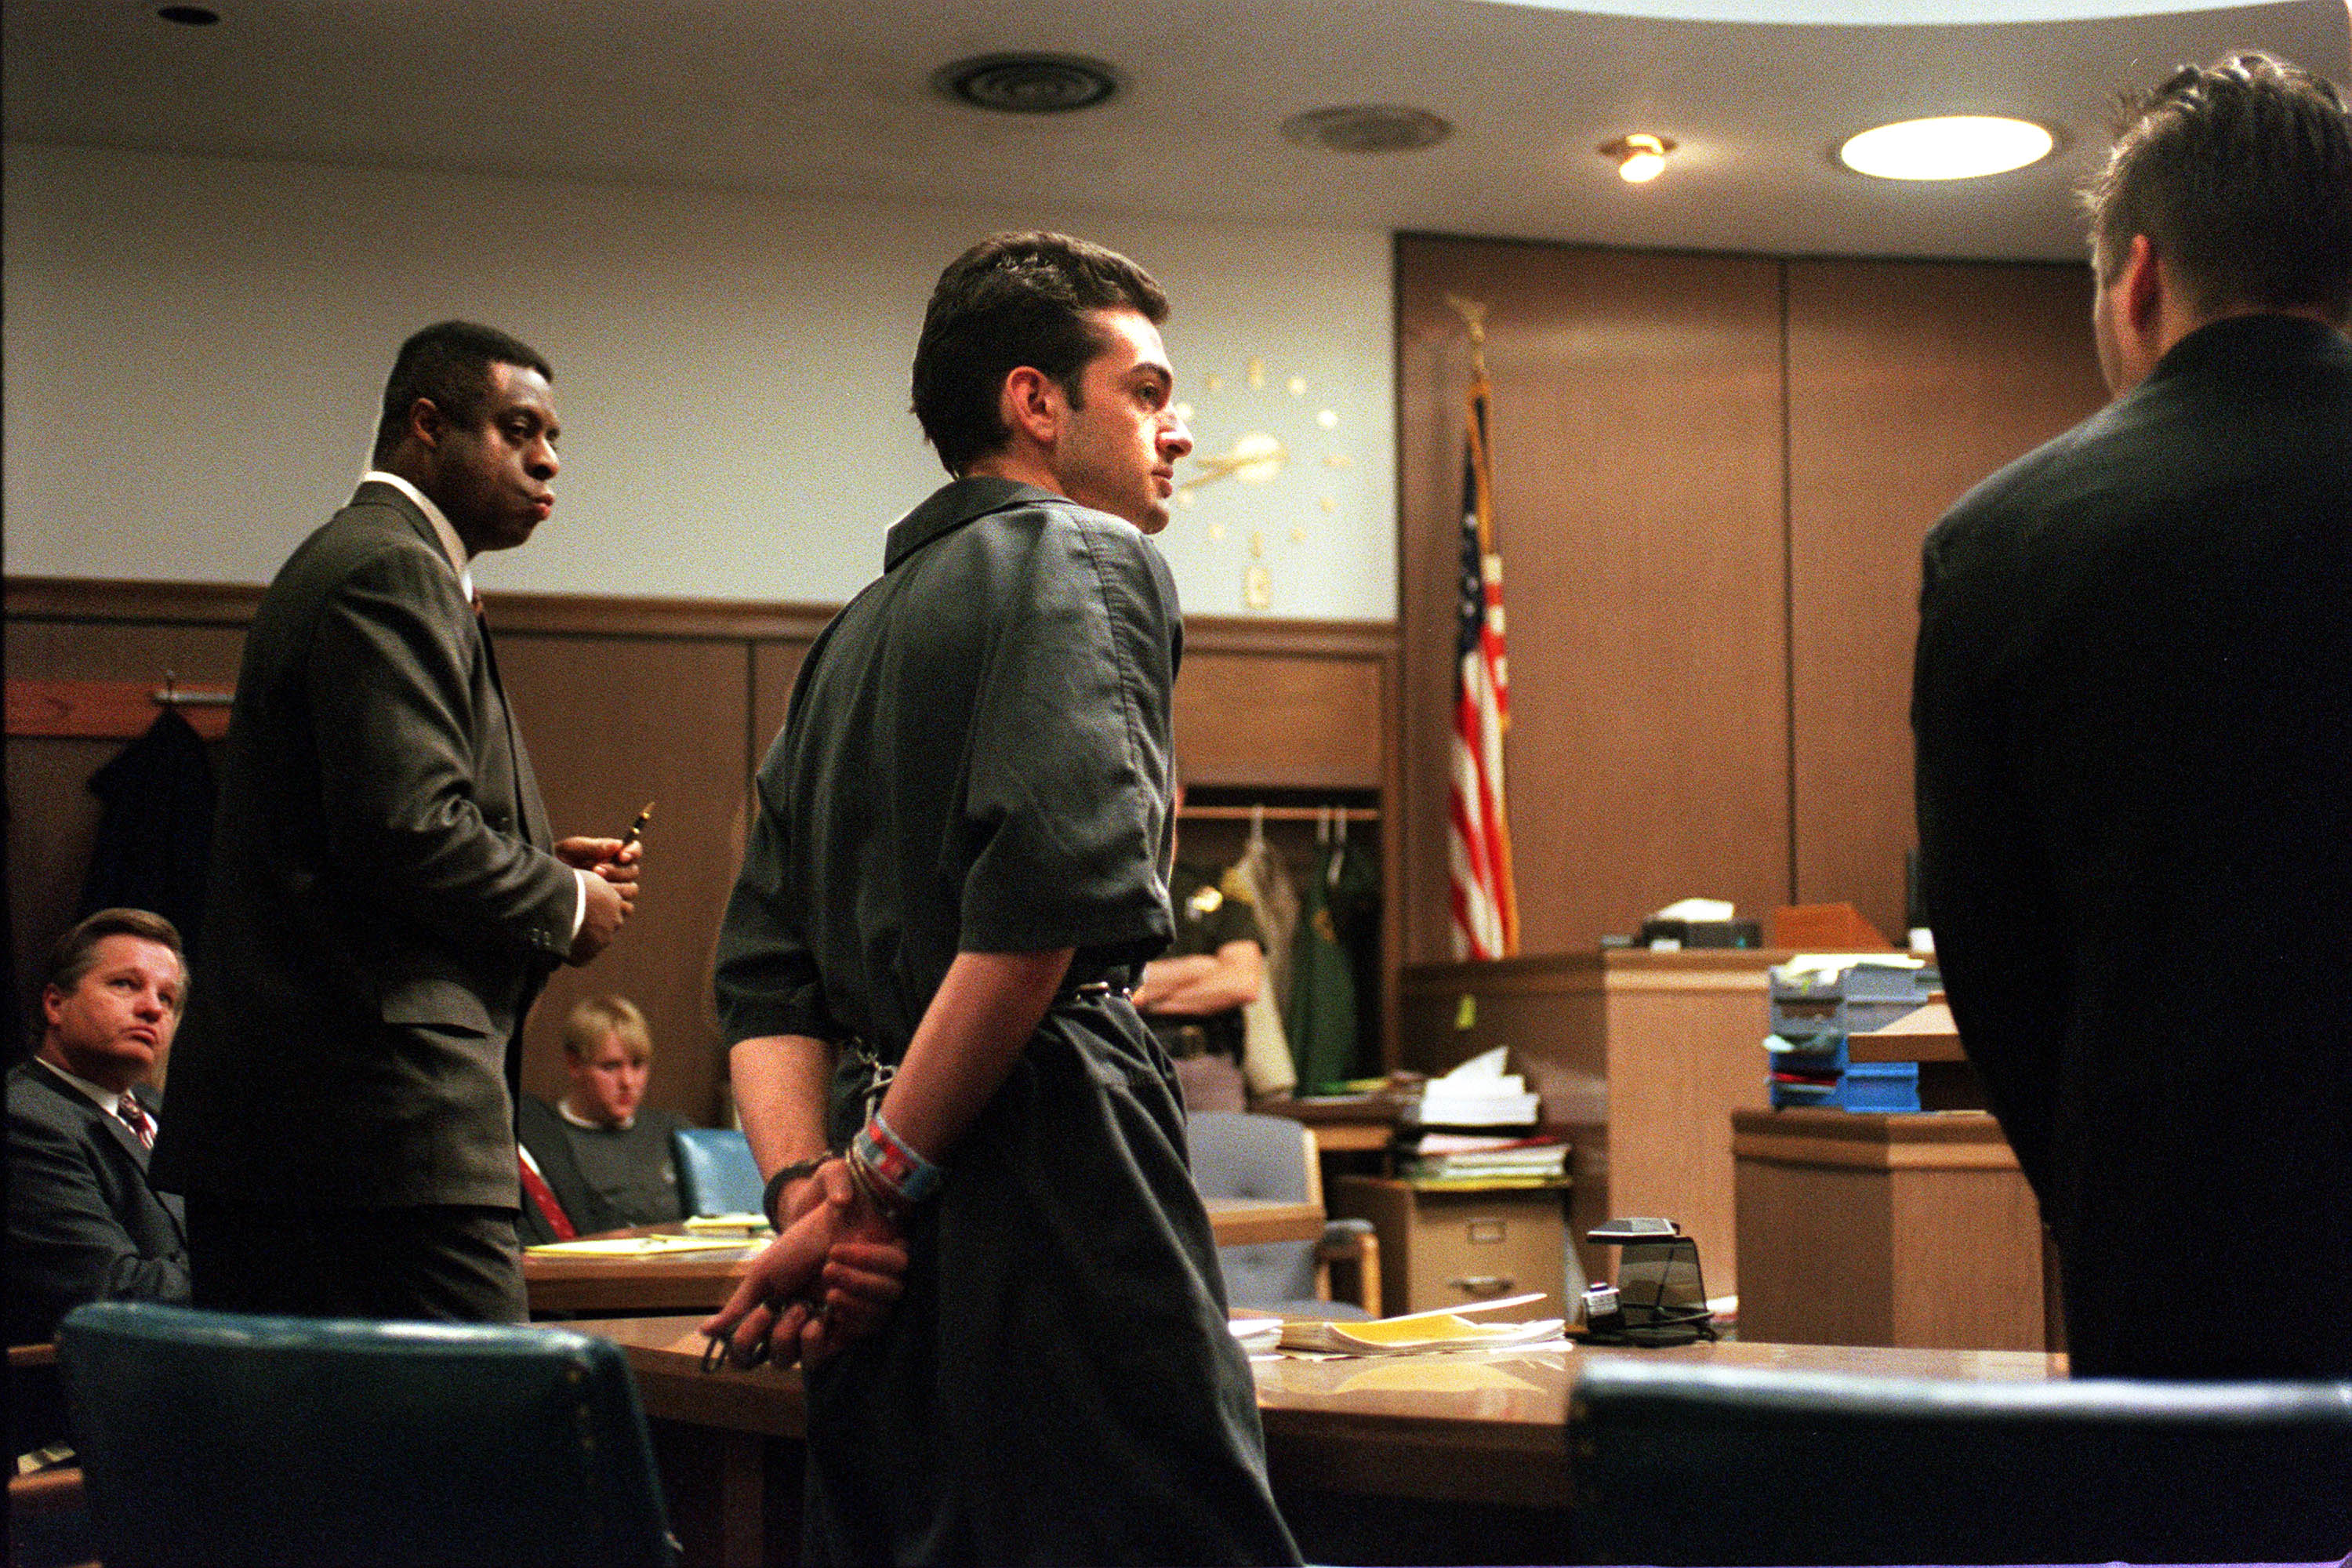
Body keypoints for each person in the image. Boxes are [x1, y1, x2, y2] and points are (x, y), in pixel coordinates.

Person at [708, 231, 1300, 1565]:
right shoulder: (1087, 556)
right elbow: (1042, 916)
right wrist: (871, 1191)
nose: (1177, 432)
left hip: (872, 1215)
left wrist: (812, 1196)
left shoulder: (846, 639)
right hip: (1045, 1153)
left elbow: (762, 980)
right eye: (1145, 392)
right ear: (1035, 402)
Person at [1911, 53, 2350, 1379]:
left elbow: (1993, 956)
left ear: (2140, 280)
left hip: (2181, 1254)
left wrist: (2106, 1187)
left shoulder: (1998, 546)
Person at [149, 321, 642, 1324]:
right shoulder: (391, 567)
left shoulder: (372, 560)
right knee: (481, 1418)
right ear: (427, 424)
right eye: (518, 429)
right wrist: (562, 899)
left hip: (319, 1132)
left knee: (321, 1427)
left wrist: (531, 857)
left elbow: (358, 832)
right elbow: (406, 830)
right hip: (375, 1129)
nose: (548, 459)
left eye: (554, 438)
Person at [8, 909, 191, 1346]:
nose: (152, 1008)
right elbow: (118, 1291)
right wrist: (257, 1267)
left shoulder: (157, 1108)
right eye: (125, 984)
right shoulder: (23, 1120)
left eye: (167, 999)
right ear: (55, 1004)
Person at [1133, 782, 1270, 1113]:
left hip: (1207, 1070)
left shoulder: (1216, 881)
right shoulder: (1103, 885)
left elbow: (1241, 984)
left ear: (1178, 796)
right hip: (1127, 1060)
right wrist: (1200, 969)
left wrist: (1140, 991)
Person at [516, 995, 686, 1238]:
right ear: (575, 1064)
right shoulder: (548, 1139)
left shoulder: (674, 1131)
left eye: (638, 1065)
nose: (628, 1082)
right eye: (610, 1067)